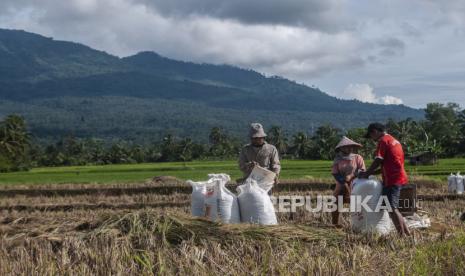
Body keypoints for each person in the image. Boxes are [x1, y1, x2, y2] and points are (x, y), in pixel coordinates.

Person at [358, 123, 411, 236]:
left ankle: (403, 235)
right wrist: (370, 173)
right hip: (398, 176)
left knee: (391, 208)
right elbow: (387, 164)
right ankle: (406, 233)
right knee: (392, 208)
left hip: (392, 179)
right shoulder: (394, 141)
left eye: (371, 136)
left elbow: (378, 160)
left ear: (375, 132)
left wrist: (367, 173)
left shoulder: (383, 141)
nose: (372, 139)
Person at [331, 136, 366, 227]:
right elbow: (335, 173)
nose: (350, 148)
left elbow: (362, 170)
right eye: (347, 147)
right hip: (342, 182)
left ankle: (361, 223)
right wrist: (344, 183)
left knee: (359, 204)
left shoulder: (357, 158)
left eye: (351, 147)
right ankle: (335, 223)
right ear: (341, 148)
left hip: (356, 182)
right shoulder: (337, 159)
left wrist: (352, 176)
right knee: (336, 202)